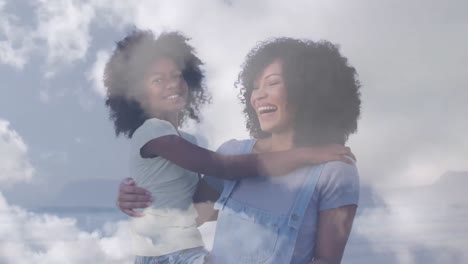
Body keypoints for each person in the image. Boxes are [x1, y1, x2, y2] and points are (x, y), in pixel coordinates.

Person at [105, 30, 355, 264]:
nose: (258, 95)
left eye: (272, 83)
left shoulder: (334, 169)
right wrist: (137, 195)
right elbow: (191, 212)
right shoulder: (233, 154)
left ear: (307, 89)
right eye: (255, 87)